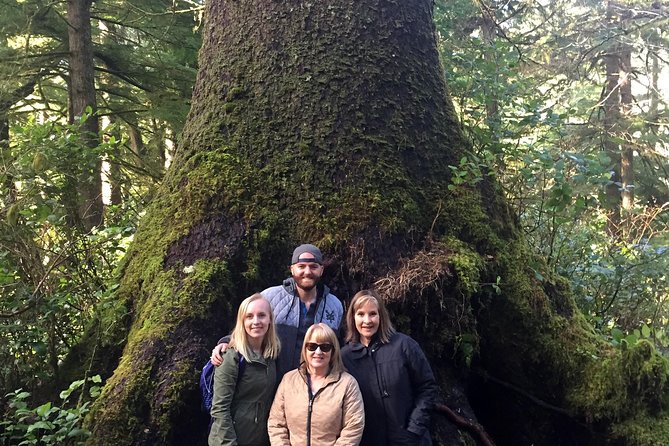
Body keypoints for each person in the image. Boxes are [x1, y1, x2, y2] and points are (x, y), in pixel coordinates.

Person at [211, 244, 343, 377]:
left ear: (321, 270)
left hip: (314, 384)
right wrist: (227, 342)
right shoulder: (270, 297)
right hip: (272, 383)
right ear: (292, 269)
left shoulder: (334, 305)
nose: (307, 272)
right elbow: (249, 325)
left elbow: (337, 347)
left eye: (313, 267)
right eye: (301, 267)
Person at [341, 290, 439, 446]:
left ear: (381, 316)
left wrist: (414, 428)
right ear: (352, 317)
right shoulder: (345, 357)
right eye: (361, 314)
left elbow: (427, 388)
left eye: (372, 314)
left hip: (411, 439)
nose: (367, 320)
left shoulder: (404, 345)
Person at [267, 323, 365, 446]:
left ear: (333, 351)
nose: (318, 352)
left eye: (325, 347)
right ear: (305, 349)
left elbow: (353, 427)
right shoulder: (288, 380)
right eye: (312, 346)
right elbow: (276, 423)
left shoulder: (347, 384)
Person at [209, 294, 280, 446]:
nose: (256, 321)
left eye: (261, 315)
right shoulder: (231, 357)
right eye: (249, 316)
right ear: (242, 321)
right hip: (229, 441)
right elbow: (219, 409)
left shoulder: (271, 356)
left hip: (258, 439)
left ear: (270, 320)